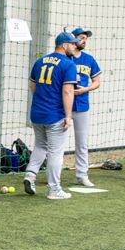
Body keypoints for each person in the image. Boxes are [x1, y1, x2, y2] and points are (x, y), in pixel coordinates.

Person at [23, 31, 79, 199]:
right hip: (55, 114)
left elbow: (32, 86)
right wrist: (68, 116)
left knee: (40, 146)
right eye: (72, 44)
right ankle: (54, 189)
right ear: (64, 45)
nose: (75, 46)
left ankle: (30, 175)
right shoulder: (68, 65)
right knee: (55, 152)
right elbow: (68, 91)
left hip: (37, 112)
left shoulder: (40, 61)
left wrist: (42, 98)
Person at [69, 27, 102, 187]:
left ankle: (82, 175)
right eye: (81, 37)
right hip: (62, 105)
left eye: (86, 38)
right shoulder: (64, 57)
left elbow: (97, 82)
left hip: (82, 105)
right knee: (55, 143)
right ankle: (51, 175)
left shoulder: (89, 59)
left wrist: (86, 89)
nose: (84, 40)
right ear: (73, 39)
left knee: (82, 143)